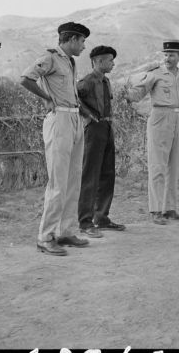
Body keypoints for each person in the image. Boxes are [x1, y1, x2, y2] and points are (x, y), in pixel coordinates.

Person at [20, 21, 91, 256]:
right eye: (81, 41)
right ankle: (45, 236)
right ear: (71, 39)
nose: (83, 46)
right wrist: (46, 99)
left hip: (74, 120)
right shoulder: (50, 58)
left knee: (74, 179)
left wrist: (83, 114)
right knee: (58, 182)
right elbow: (26, 78)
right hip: (58, 120)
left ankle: (66, 231)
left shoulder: (70, 62)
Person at [125, 40, 179, 225]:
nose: (168, 58)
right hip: (160, 117)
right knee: (157, 165)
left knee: (174, 166)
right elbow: (138, 92)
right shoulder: (155, 74)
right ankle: (156, 210)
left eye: (172, 55)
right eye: (165, 54)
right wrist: (124, 94)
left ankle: (170, 208)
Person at [77, 45, 126, 237]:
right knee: (91, 175)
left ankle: (102, 218)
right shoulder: (87, 81)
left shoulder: (106, 81)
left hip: (106, 127)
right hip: (94, 129)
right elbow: (74, 96)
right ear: (98, 62)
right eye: (110, 60)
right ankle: (85, 222)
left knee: (107, 174)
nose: (113, 64)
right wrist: (87, 114)